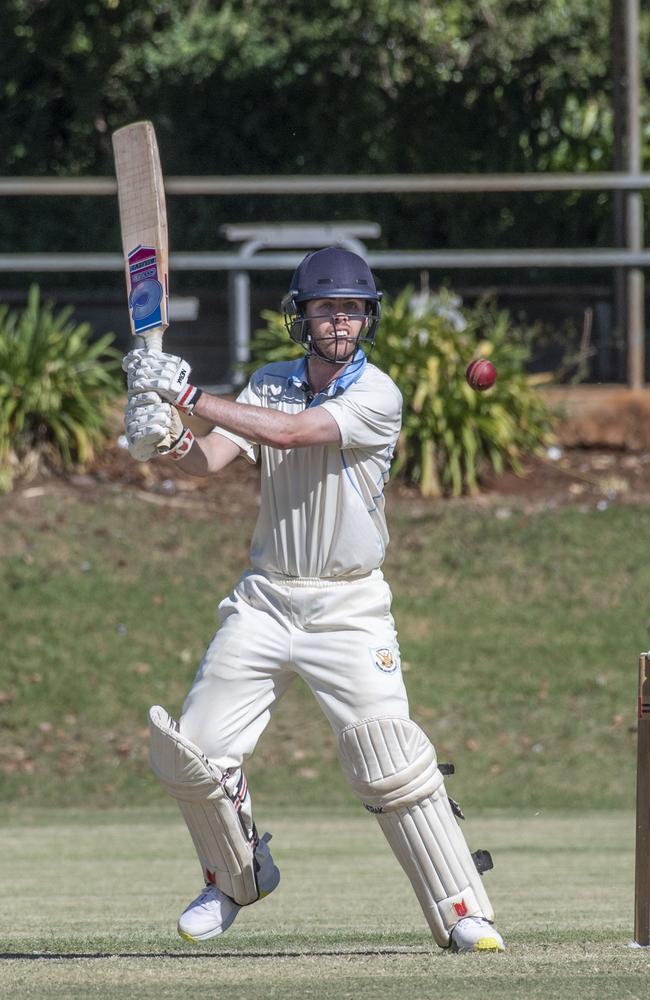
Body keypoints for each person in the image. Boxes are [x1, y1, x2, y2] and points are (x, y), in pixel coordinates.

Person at [122, 246, 505, 954]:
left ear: (368, 318)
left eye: (353, 309)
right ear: (303, 317)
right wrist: (168, 437)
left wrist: (186, 397)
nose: (340, 321)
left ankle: (461, 910)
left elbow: (296, 434)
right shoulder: (270, 383)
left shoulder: (377, 395)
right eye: (327, 308)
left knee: (390, 759)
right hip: (266, 600)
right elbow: (217, 456)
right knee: (196, 751)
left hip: (349, 607)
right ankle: (234, 881)